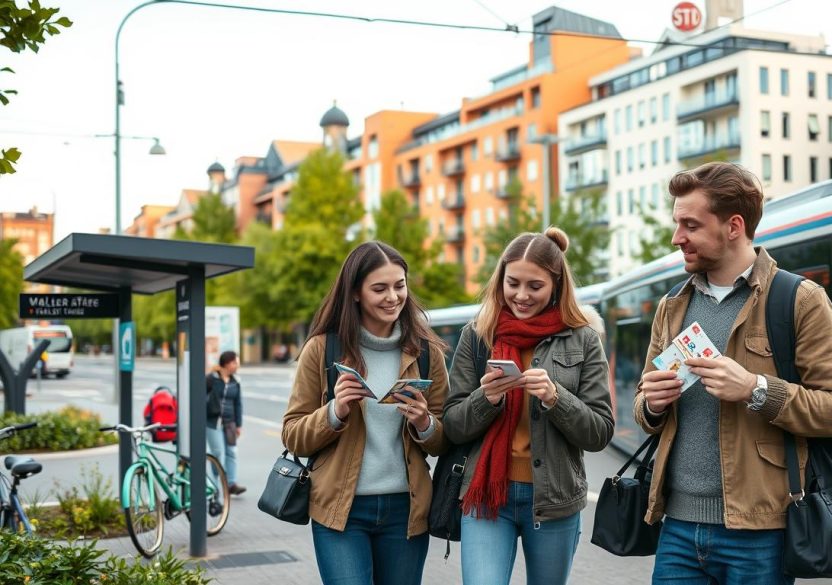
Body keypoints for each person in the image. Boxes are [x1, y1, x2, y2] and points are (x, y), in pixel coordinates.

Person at [635, 162, 832, 585]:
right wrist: (651, 403)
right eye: (676, 222)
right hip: (678, 529)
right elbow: (643, 411)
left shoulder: (799, 299)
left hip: (761, 532)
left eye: (690, 224)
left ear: (734, 226)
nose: (676, 237)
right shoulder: (671, 306)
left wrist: (755, 389)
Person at [443, 227, 614, 585]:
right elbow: (453, 426)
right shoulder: (477, 335)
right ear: (500, 280)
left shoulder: (582, 338)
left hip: (554, 500)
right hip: (488, 497)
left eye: (534, 286)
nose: (521, 295)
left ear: (556, 285)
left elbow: (600, 432)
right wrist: (485, 399)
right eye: (512, 283)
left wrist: (556, 398)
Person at [281, 241, 449, 585]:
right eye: (380, 288)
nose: (393, 297)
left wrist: (424, 422)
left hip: (407, 509)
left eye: (399, 285)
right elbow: (293, 434)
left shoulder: (427, 351)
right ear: (355, 292)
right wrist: (334, 412)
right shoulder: (322, 349)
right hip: (340, 511)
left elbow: (446, 440)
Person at [205, 350, 245, 495]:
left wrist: (239, 424)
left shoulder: (236, 382)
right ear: (227, 363)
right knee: (217, 453)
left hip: (230, 423)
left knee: (231, 452)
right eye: (235, 362)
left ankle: (231, 484)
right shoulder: (211, 379)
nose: (237, 366)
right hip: (212, 422)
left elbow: (238, 403)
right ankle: (215, 485)